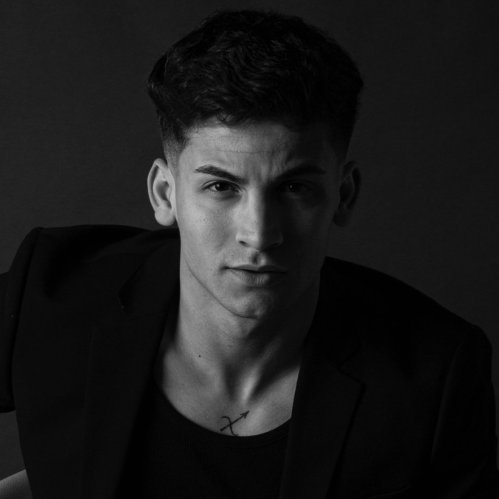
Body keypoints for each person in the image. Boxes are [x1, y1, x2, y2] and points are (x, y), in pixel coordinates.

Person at [0, 9, 498, 499]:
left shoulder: (435, 372)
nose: (259, 234)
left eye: (295, 188)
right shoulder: (51, 290)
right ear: (165, 194)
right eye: (221, 186)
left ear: (343, 195)